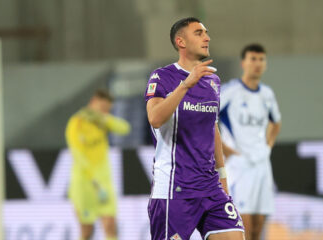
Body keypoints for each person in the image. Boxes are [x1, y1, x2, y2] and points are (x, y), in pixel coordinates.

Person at [144, 17, 245, 240]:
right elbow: (155, 119)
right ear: (181, 41)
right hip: (174, 191)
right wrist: (186, 85)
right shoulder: (162, 77)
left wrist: (223, 178)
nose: (207, 37)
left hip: (211, 188)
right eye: (198, 33)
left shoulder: (213, 82)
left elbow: (213, 129)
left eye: (206, 32)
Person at [219, 44, 282, 240]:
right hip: (240, 166)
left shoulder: (267, 94)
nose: (257, 64)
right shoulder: (230, 91)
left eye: (261, 59)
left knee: (257, 228)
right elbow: (207, 119)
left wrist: (268, 145)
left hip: (262, 165)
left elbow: (276, 122)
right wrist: (224, 149)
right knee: (242, 226)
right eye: (253, 59)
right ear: (243, 63)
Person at [66, 89, 131, 240]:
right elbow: (77, 154)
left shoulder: (102, 122)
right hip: (85, 185)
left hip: (104, 185)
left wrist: (104, 118)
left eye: (107, 110)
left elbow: (125, 128)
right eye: (103, 109)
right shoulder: (77, 122)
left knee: (110, 226)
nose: (105, 112)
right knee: (87, 230)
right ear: (93, 102)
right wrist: (93, 180)